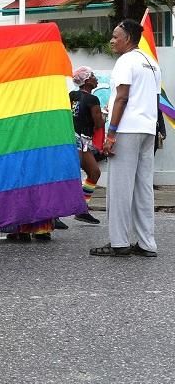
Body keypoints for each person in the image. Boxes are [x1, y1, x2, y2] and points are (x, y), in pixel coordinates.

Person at [92, 19, 161, 257]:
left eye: (115, 36)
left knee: (120, 188)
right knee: (143, 187)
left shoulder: (126, 61)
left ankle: (119, 242)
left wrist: (111, 133)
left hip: (126, 129)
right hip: (147, 129)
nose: (112, 40)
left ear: (128, 39)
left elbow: (122, 97)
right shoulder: (151, 62)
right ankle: (146, 243)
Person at [69, 67, 103, 224]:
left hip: (73, 139)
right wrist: (103, 117)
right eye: (94, 76)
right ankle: (54, 215)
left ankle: (81, 209)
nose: (96, 79)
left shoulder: (72, 95)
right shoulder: (92, 100)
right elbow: (98, 123)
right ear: (87, 80)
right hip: (81, 140)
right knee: (87, 173)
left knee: (90, 173)